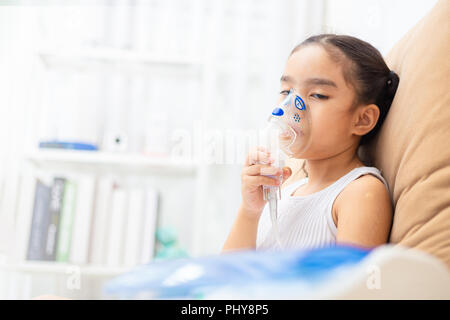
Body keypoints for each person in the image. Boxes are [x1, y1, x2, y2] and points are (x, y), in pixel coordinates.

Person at [223, 34, 399, 252]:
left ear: (362, 119)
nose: (290, 106)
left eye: (317, 95)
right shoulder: (288, 190)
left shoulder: (360, 192)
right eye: (286, 91)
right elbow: (228, 273)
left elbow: (353, 285)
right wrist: (250, 211)